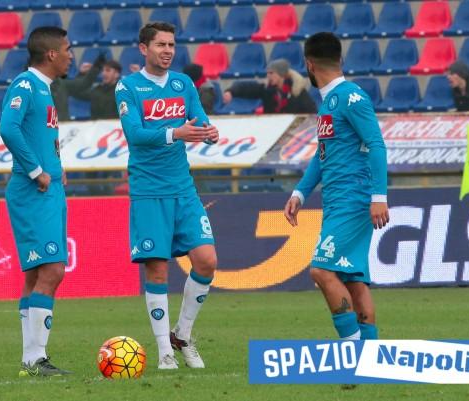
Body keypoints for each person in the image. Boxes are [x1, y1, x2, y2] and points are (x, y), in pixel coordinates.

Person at [115, 22, 219, 370]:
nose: (168, 51)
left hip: (183, 188)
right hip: (148, 190)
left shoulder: (183, 84)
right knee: (157, 270)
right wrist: (176, 133)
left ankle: (182, 334)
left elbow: (199, 120)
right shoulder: (128, 86)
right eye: (161, 44)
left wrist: (209, 132)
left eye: (172, 45)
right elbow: (135, 134)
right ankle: (164, 351)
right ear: (143, 48)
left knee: (206, 261)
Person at [283, 33, 389, 344]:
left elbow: (377, 144)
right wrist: (300, 193)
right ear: (339, 59)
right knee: (353, 281)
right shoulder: (330, 101)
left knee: (321, 271)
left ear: (308, 64)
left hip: (353, 200)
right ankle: (368, 352)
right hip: (337, 201)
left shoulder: (351, 97)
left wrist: (378, 197)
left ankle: (350, 347)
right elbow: (323, 154)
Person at [0, 26, 73, 377]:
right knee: (53, 270)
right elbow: (8, 128)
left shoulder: (44, 88)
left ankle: (31, 360)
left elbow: (37, 135)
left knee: (35, 273)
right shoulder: (25, 85)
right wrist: (36, 170)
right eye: (67, 49)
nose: (71, 55)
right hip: (34, 190)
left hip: (49, 188)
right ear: (52, 54)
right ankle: (37, 357)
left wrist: (55, 168)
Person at [222, 58, 317, 114]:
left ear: (281, 74)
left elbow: (311, 112)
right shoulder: (267, 90)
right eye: (267, 73)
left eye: (271, 73)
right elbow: (247, 88)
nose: (268, 76)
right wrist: (231, 91)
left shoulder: (297, 91)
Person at [51, 55, 105, 121]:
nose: (69, 64)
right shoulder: (60, 84)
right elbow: (82, 85)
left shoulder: (62, 84)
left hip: (64, 125)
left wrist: (94, 68)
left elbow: (83, 84)